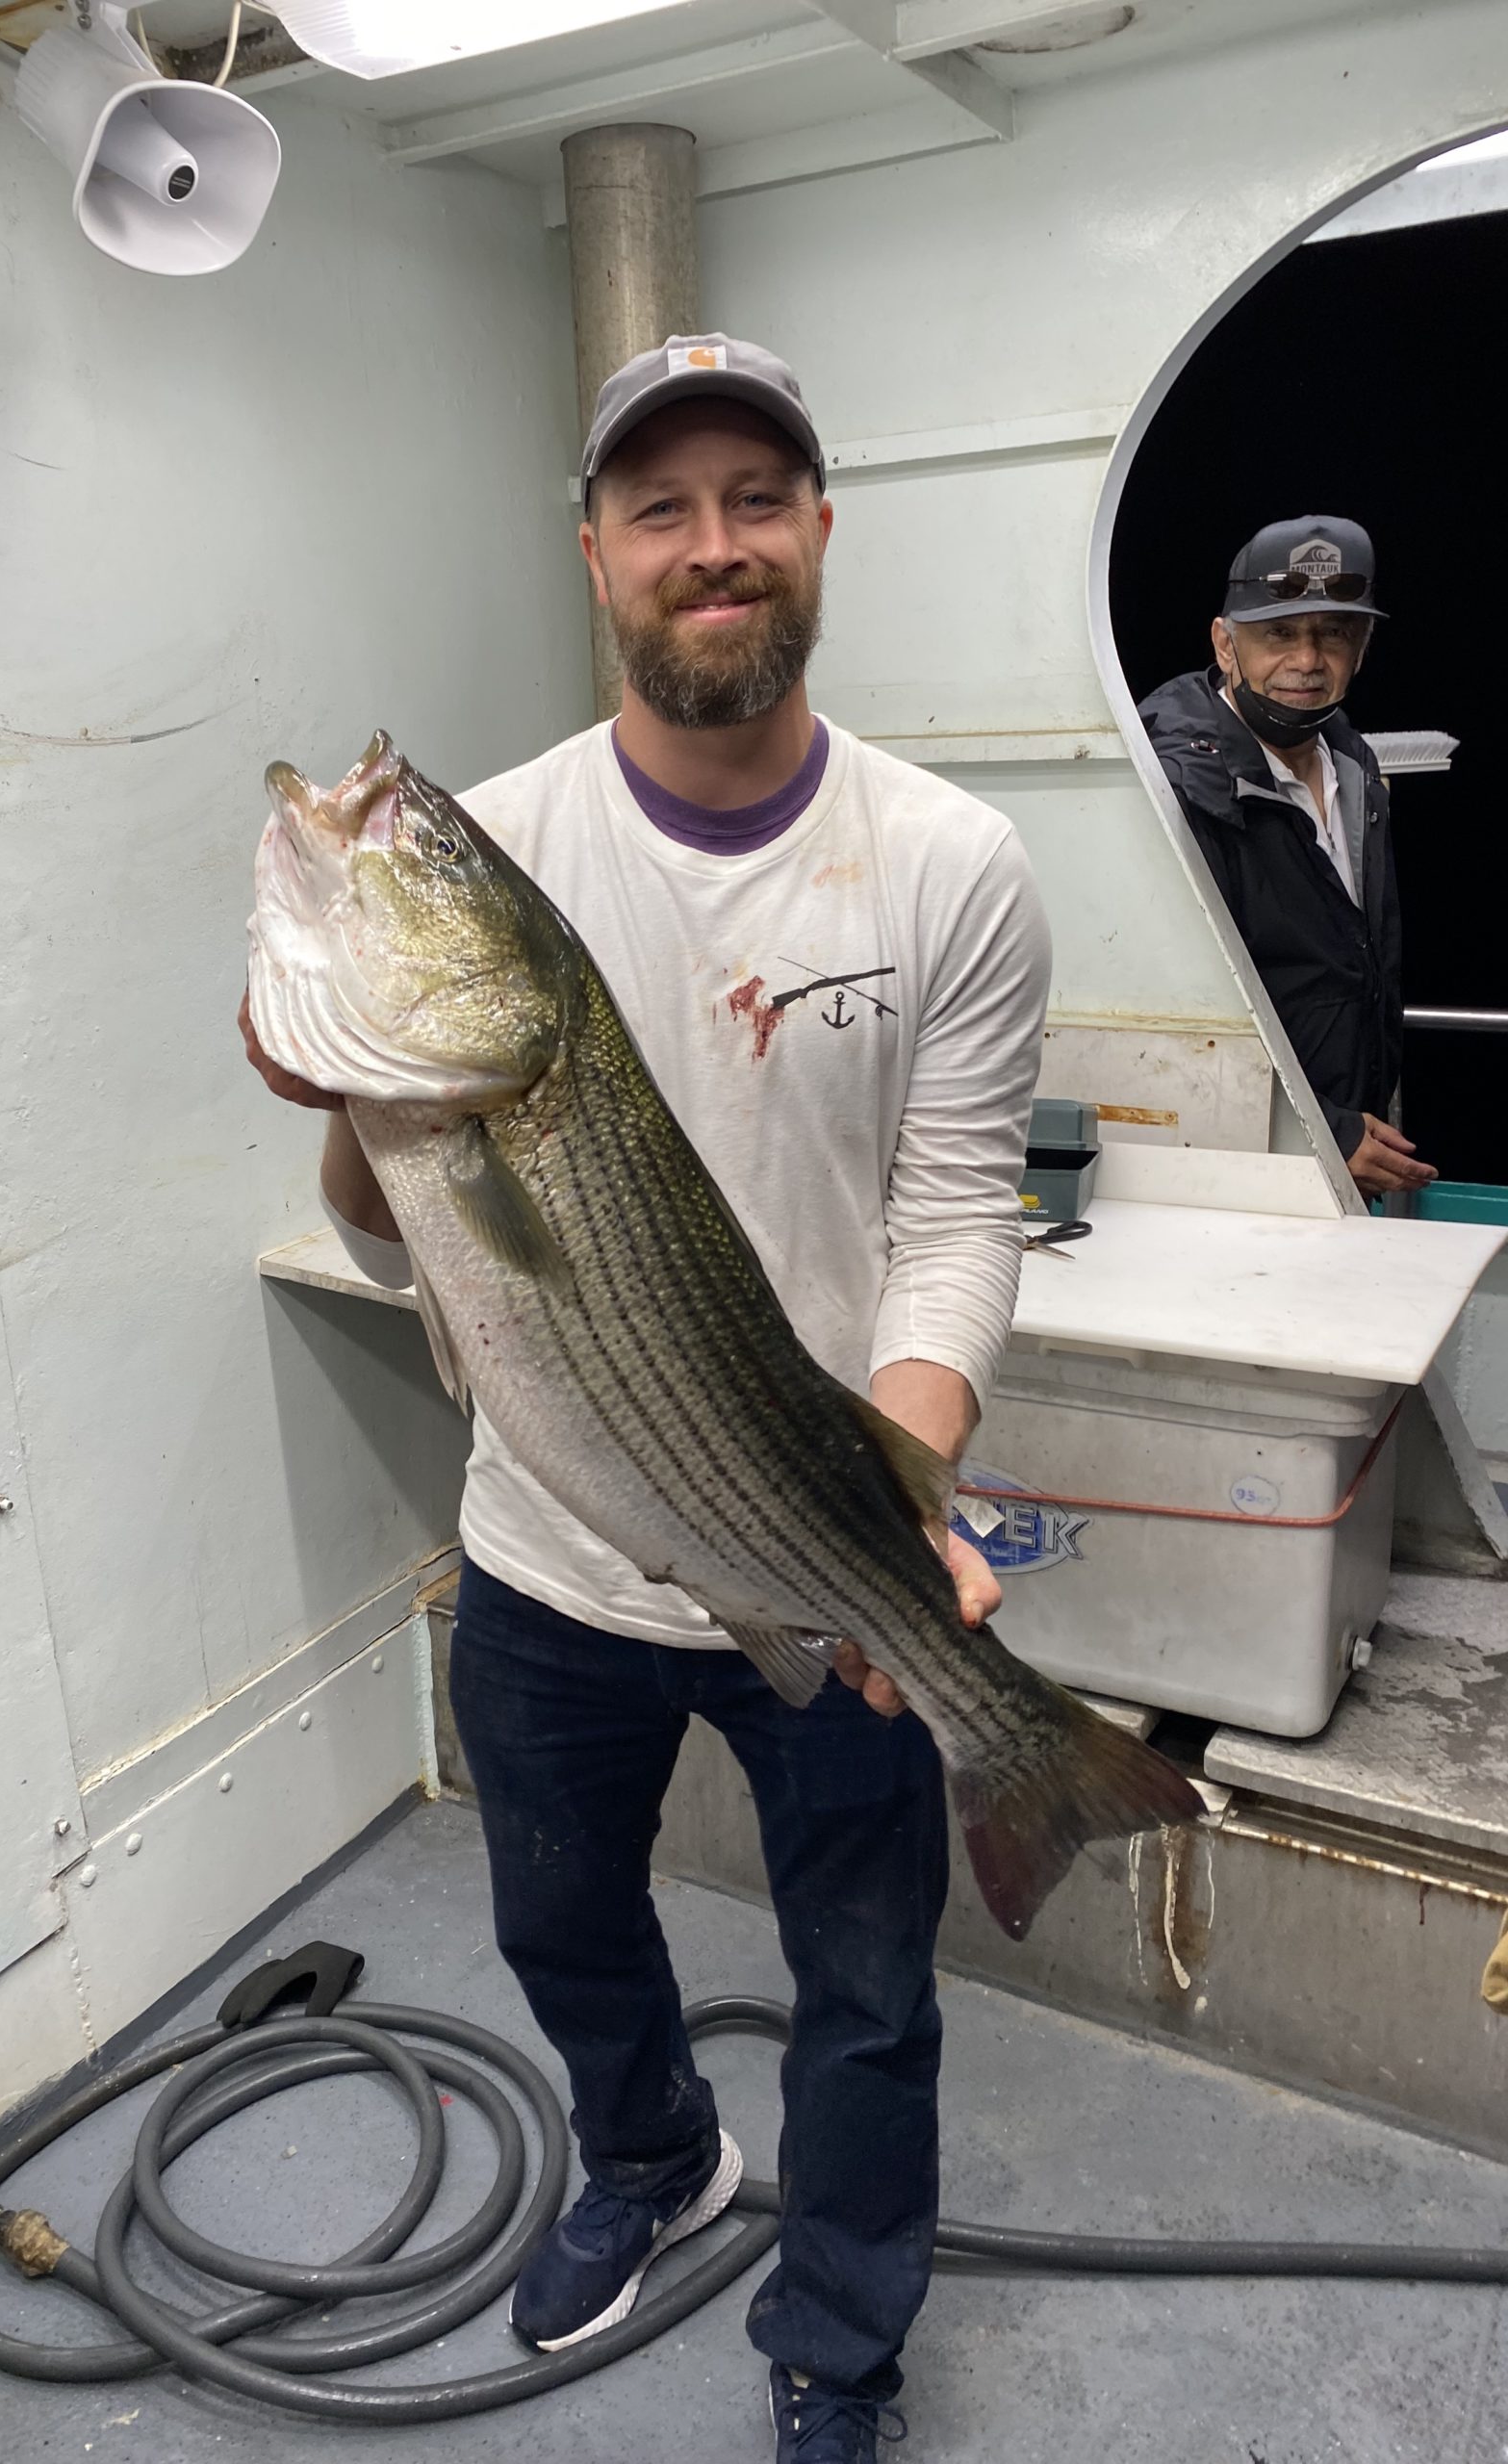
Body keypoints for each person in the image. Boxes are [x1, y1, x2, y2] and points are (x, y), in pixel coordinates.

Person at [239, 333, 1050, 2460]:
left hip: (822, 1537)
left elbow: (961, 1217)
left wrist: (909, 1492)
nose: (715, 546)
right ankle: (650, 2144)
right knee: (558, 1917)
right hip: (546, 1545)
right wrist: (356, 1091)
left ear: (818, 533)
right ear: (594, 550)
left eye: (755, 500)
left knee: (872, 2001)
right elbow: (399, 1225)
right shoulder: (496, 838)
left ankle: (841, 2342)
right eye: (662, 508)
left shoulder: (950, 860)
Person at [1138, 517, 1435, 1200]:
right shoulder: (1179, 789)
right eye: (1278, 633)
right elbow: (1174, 1020)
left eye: (1333, 633)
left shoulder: (1354, 762)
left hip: (1346, 1154)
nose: (1306, 661)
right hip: (1240, 1160)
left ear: (1362, 647)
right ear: (1224, 642)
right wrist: (1324, 1130)